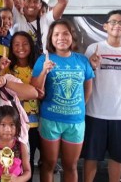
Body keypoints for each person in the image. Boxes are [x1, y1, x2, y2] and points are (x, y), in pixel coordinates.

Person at [31, 19, 94, 182]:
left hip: (76, 121)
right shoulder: (42, 59)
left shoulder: (82, 60)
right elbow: (35, 90)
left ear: (72, 36)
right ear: (51, 38)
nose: (61, 37)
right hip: (50, 120)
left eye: (65, 33)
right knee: (48, 164)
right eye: (56, 34)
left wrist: (79, 106)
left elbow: (88, 88)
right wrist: (44, 71)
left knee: (71, 166)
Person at [81, 10, 121, 182]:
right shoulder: (94, 48)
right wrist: (91, 66)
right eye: (113, 22)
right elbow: (83, 78)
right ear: (105, 26)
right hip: (95, 112)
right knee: (91, 156)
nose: (118, 25)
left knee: (118, 156)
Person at [0, 31, 39, 182]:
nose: (20, 47)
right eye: (16, 44)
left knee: (28, 160)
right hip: (14, 124)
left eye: (25, 43)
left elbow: (40, 92)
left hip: (35, 123)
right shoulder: (8, 69)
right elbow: (0, 87)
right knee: (13, 161)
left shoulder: (37, 67)